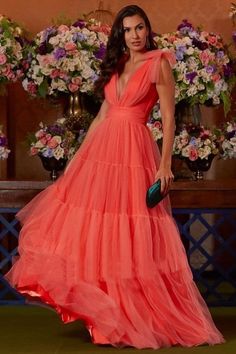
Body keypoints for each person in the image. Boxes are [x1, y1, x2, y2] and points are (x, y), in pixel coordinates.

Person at [5, 4, 225, 349]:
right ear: (119, 34)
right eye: (127, 30)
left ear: (147, 29)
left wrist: (165, 163)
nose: (134, 35)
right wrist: (80, 159)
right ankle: (106, 316)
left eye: (139, 28)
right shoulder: (118, 64)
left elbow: (169, 119)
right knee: (96, 230)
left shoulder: (159, 62)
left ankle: (132, 314)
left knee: (131, 231)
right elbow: (102, 115)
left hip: (135, 151)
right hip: (102, 152)